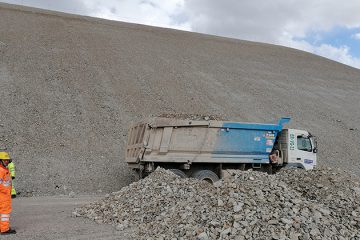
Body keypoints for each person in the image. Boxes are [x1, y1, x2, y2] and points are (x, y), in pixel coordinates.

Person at [0, 152, 16, 235]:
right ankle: (4, 229)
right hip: (3, 195)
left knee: (4, 212)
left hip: (5, 195)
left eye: (7, 160)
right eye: (4, 160)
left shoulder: (4, 169)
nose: (6, 161)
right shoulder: (1, 170)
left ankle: (2, 227)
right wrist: (6, 191)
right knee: (5, 212)